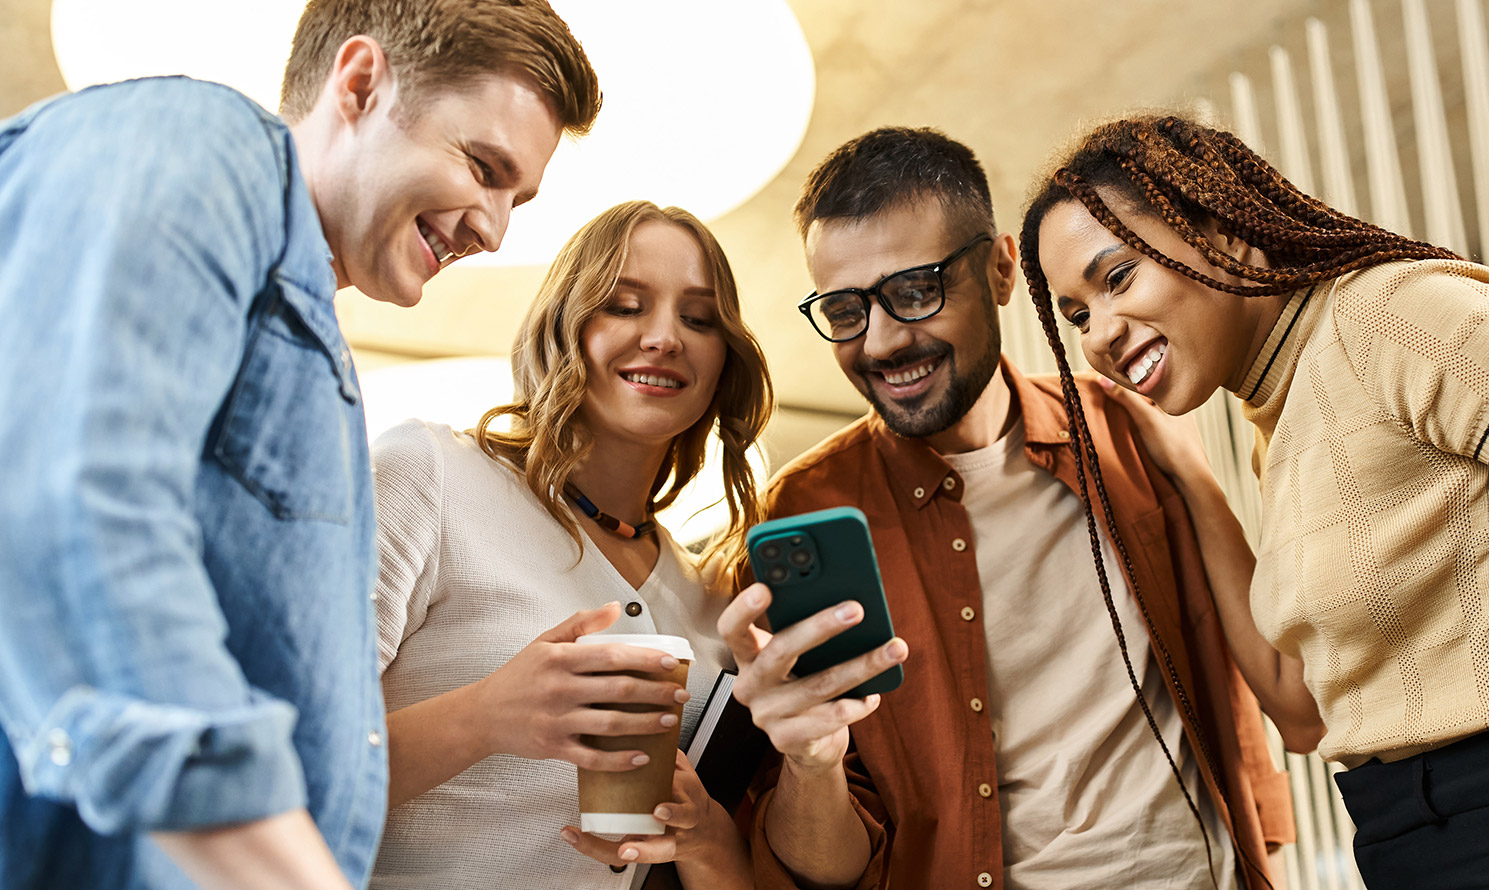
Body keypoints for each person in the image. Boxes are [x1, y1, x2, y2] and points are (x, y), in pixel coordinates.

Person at [1019, 113, 1489, 888]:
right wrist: (1193, 479)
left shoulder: (1400, 316)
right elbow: (1301, 710)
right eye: (1076, 315)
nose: (1097, 333)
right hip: (1404, 843)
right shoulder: (1284, 411)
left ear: (1223, 230)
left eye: (1116, 277)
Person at [0, 2, 598, 888]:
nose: (495, 228)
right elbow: (71, 524)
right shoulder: (195, 141)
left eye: (517, 197)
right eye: (483, 168)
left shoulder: (318, 357)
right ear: (360, 84)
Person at [714, 126, 1299, 890]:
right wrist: (806, 760)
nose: (882, 341)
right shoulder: (802, 511)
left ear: (998, 270)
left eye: (915, 291)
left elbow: (1233, 689)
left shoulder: (1124, 431)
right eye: (845, 309)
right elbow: (830, 874)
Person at [368, 201, 767, 890]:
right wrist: (484, 716)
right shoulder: (428, 476)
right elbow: (273, 771)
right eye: (624, 305)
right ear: (564, 325)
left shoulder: (709, 602)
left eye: (699, 319)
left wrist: (704, 836)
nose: (665, 337)